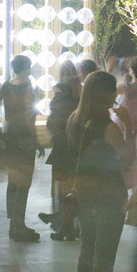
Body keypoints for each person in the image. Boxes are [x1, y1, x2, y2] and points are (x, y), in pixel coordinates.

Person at [66, 70, 130, 272]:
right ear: (104, 94)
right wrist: (128, 126)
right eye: (113, 90)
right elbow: (129, 157)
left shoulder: (75, 120)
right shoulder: (109, 128)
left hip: (84, 195)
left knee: (88, 251)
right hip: (108, 197)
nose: (116, 94)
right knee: (104, 258)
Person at [0, 55, 43, 242]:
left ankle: (14, 224)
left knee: (13, 179)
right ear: (26, 69)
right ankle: (19, 226)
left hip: (10, 135)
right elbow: (29, 118)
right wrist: (37, 142)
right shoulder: (27, 87)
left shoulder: (7, 85)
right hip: (24, 138)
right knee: (24, 182)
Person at [41, 60, 83, 240]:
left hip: (61, 143)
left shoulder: (59, 89)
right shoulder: (80, 90)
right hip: (76, 142)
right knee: (73, 185)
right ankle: (72, 225)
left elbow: (55, 115)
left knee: (59, 186)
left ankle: (61, 224)